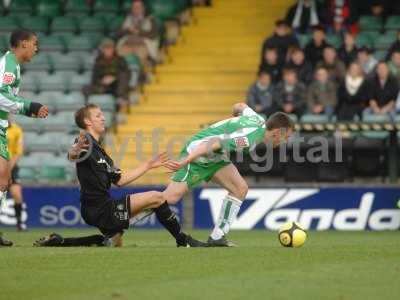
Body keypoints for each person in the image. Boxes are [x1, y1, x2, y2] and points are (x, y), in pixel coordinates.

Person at [35, 104, 205, 248]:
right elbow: (72, 155)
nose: (103, 118)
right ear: (87, 121)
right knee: (157, 197)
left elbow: (121, 180)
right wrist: (76, 149)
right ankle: (183, 240)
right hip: (100, 209)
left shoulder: (101, 152)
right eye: (98, 115)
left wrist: (148, 165)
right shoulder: (85, 142)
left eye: (102, 115)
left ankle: (60, 241)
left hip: (99, 209)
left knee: (113, 242)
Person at [163, 103, 294, 247]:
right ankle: (135, 207)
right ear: (276, 132)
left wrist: (232, 124)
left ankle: (217, 237)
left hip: (215, 157)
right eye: (285, 137)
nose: (285, 141)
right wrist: (186, 160)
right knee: (170, 198)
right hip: (198, 154)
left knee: (240, 188)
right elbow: (215, 143)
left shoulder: (256, 119)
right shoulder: (248, 138)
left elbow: (240, 106)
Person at [0, 29, 49, 247]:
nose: (36, 48)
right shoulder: (9, 64)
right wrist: (30, 105)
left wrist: (29, 110)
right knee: (1, 180)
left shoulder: (13, 65)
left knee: (3, 181)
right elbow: (0, 95)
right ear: (23, 44)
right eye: (34, 44)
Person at [83, 39, 131, 111]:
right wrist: (102, 81)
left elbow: (127, 73)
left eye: (110, 48)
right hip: (103, 86)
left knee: (123, 76)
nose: (108, 50)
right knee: (85, 88)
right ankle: (88, 109)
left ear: (113, 49)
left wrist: (114, 78)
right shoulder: (98, 60)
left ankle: (120, 99)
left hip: (116, 85)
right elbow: (94, 77)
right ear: (102, 49)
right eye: (106, 48)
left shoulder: (120, 59)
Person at [117, 0, 160, 65]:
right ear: (131, 9)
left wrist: (140, 32)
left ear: (143, 8)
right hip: (127, 44)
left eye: (138, 7)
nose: (136, 9)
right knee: (120, 57)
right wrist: (128, 30)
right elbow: (118, 33)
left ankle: (142, 72)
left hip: (142, 45)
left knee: (139, 58)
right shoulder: (127, 18)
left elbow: (153, 35)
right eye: (134, 7)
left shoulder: (150, 19)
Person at [6, 116, 26, 231]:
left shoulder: (17, 129)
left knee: (17, 194)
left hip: (11, 166)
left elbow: (18, 152)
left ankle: (20, 223)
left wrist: (8, 168)